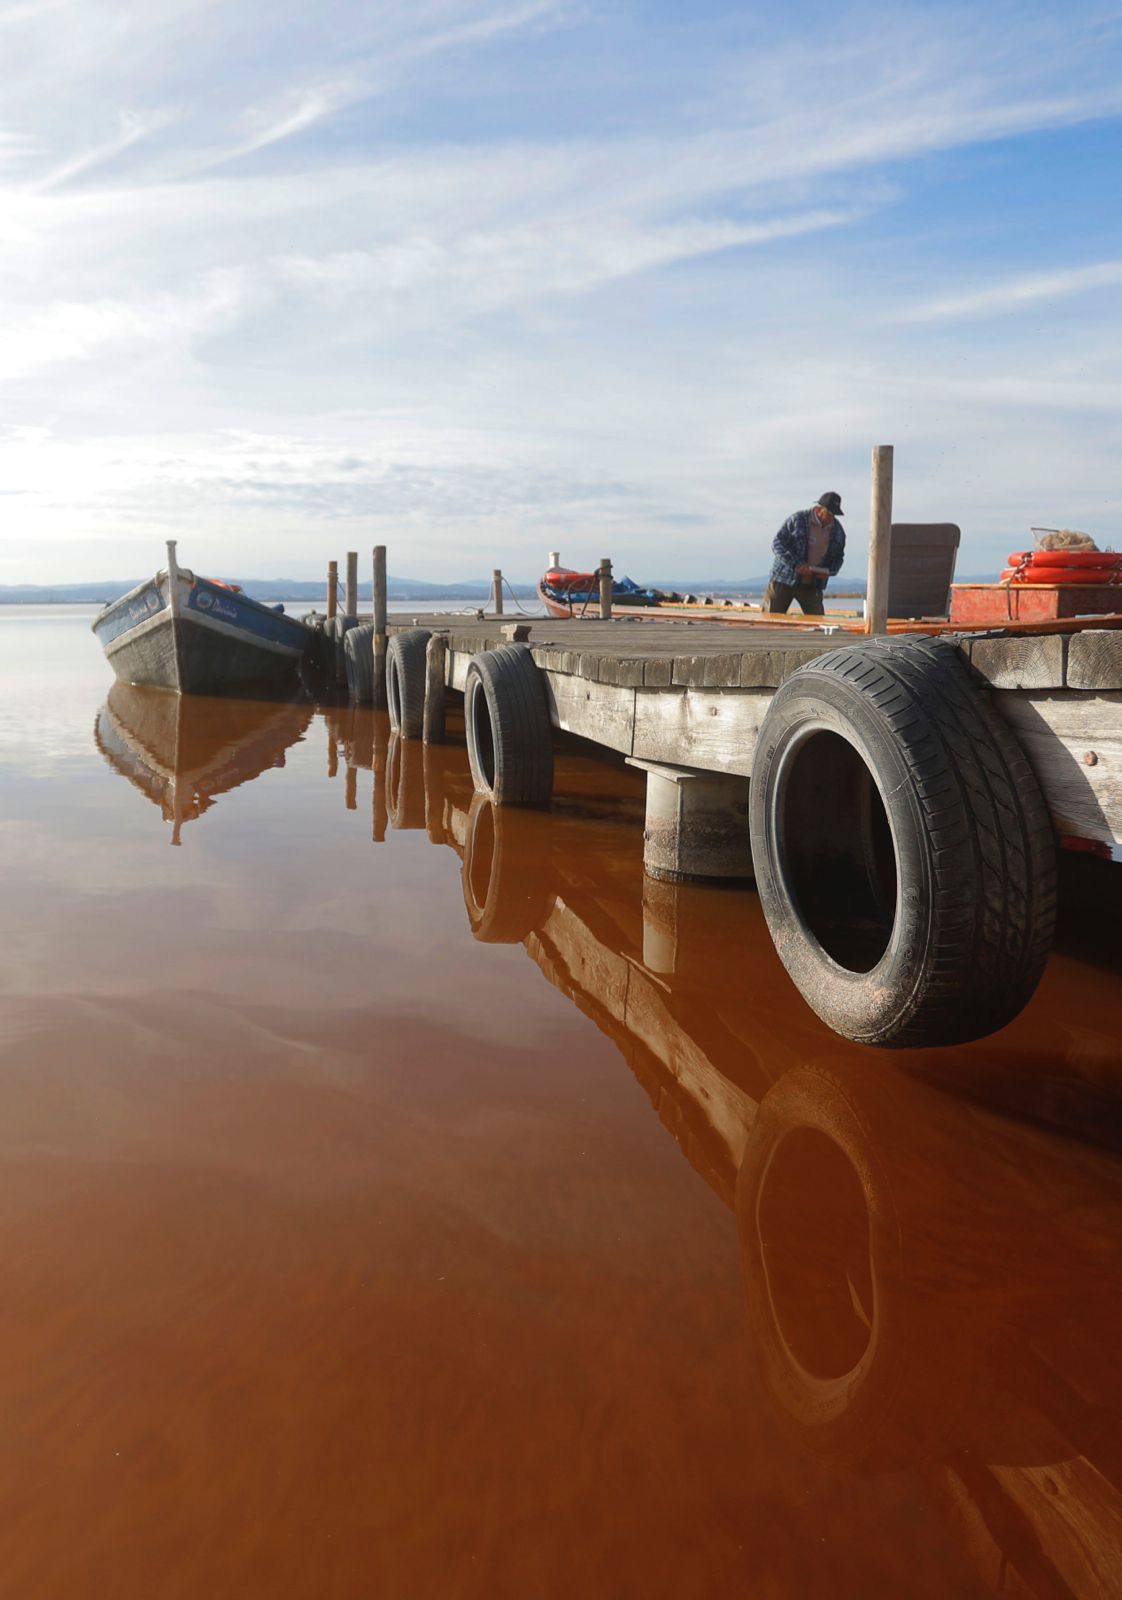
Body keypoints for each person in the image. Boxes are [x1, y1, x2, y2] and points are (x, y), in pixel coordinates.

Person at [763, 491, 846, 615]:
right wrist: (797, 564)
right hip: (783, 580)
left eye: (834, 515)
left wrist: (829, 571)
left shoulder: (838, 531)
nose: (831, 518)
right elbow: (777, 544)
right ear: (819, 510)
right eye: (829, 514)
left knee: (818, 619)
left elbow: (839, 558)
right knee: (770, 618)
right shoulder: (797, 520)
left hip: (812, 584)